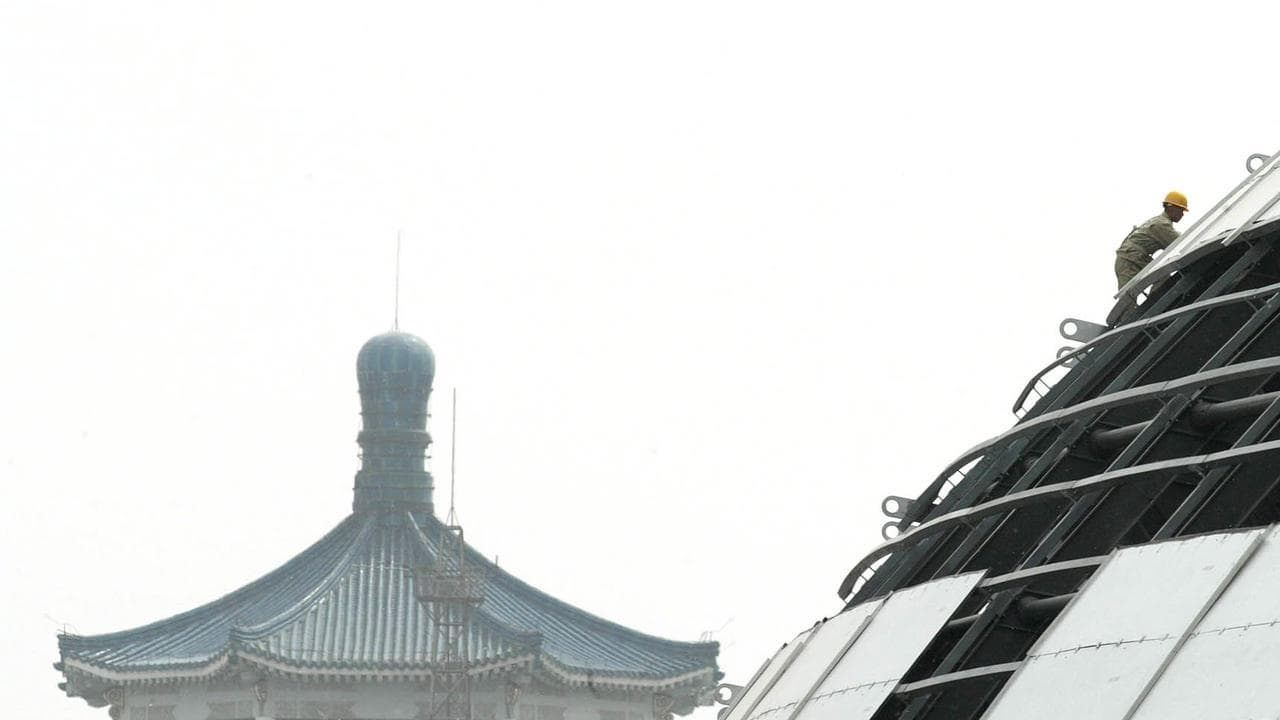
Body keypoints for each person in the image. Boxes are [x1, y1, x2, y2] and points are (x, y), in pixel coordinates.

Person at [1114, 191, 1190, 290]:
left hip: (1134, 258)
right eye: (1181, 210)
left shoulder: (1159, 221)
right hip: (1129, 260)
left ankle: (1155, 302)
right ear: (1171, 207)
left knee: (1162, 276)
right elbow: (1180, 243)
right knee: (1128, 298)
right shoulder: (1162, 224)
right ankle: (1154, 303)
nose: (1182, 214)